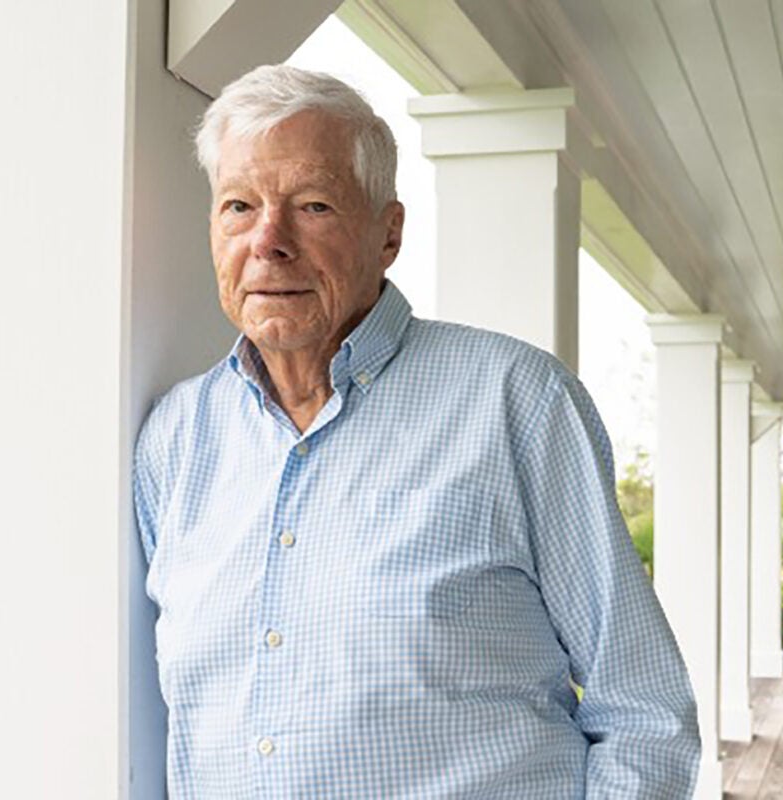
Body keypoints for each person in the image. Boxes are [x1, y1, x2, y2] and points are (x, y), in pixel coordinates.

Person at [134, 64, 700, 798]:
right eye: (239, 206)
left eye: (311, 206)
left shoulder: (516, 402)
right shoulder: (173, 439)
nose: (268, 240)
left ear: (388, 232)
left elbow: (646, 714)